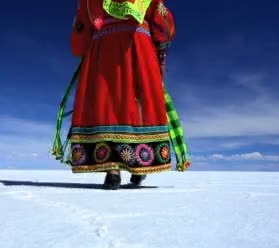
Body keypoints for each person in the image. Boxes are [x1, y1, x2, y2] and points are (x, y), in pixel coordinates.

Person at [53, 0, 189, 190]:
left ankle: (112, 170)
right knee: (140, 100)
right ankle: (139, 165)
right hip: (139, 46)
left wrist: (85, 48)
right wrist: (161, 54)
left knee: (107, 101)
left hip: (103, 47)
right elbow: (162, 20)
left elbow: (81, 30)